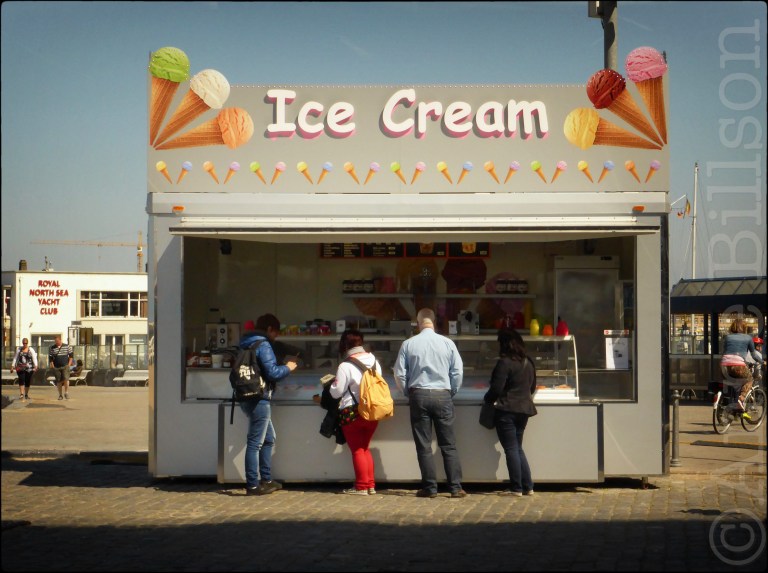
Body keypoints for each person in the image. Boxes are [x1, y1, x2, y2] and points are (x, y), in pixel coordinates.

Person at [394, 308, 466, 499]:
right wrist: (451, 391)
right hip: (443, 394)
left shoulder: (408, 344)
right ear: (434, 322)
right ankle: (455, 487)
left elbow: (399, 374)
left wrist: (407, 392)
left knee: (423, 445)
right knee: (448, 445)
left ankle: (430, 487)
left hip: (419, 394)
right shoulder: (448, 343)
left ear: (417, 323)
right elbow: (457, 372)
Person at [238, 313, 297, 496]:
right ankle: (253, 485)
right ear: (270, 329)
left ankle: (267, 479)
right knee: (255, 442)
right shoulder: (263, 344)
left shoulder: (245, 342)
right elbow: (272, 372)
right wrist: (289, 367)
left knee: (269, 438)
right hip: (259, 396)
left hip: (245, 395)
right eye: (276, 333)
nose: (276, 337)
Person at [483, 328, 537, 496]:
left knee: (511, 449)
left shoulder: (504, 363)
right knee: (518, 448)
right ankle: (528, 486)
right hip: (525, 409)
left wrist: (487, 399)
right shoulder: (528, 362)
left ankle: (516, 487)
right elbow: (532, 387)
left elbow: (496, 389)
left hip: (507, 410)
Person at [329, 329, 382, 495]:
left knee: (358, 450)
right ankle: (370, 485)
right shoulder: (374, 360)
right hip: (372, 411)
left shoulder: (345, 365)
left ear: (344, 345)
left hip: (352, 412)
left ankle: (361, 486)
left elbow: (336, 392)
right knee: (365, 448)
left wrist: (330, 385)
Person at [720, 318, 763, 412]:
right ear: (744, 328)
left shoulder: (727, 337)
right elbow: (754, 355)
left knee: (733, 383)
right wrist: (763, 362)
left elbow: (724, 352)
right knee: (750, 379)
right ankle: (741, 399)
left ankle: (729, 404)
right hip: (738, 365)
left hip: (724, 366)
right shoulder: (748, 338)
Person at [48, 335, 74, 400]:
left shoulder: (67, 346)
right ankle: (60, 395)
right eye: (55, 341)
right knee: (59, 381)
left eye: (57, 341)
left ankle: (66, 392)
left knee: (66, 379)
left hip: (65, 366)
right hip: (56, 367)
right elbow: (50, 358)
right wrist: (53, 365)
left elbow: (71, 356)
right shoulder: (52, 348)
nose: (56, 342)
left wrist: (69, 364)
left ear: (60, 340)